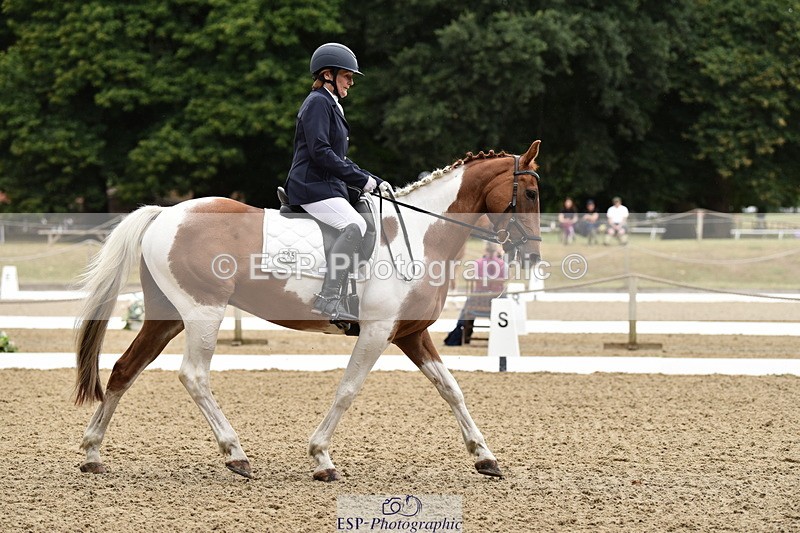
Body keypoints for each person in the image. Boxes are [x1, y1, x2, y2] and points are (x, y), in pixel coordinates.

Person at [284, 43, 390, 321]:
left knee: (365, 217)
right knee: (354, 225)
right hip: (311, 186)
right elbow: (321, 153)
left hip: (326, 186)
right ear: (328, 74)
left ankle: (348, 292)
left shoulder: (331, 104)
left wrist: (372, 180)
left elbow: (339, 158)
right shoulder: (318, 102)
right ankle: (329, 298)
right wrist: (362, 180)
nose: (351, 82)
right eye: (347, 76)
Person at [444, 242, 508, 346]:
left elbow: (475, 278)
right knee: (505, 298)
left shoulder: (477, 263)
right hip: (495, 303)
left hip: (477, 303)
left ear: (485, 250)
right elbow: (504, 279)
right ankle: (504, 334)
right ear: (497, 250)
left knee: (467, 307)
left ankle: (461, 332)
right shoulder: (502, 264)